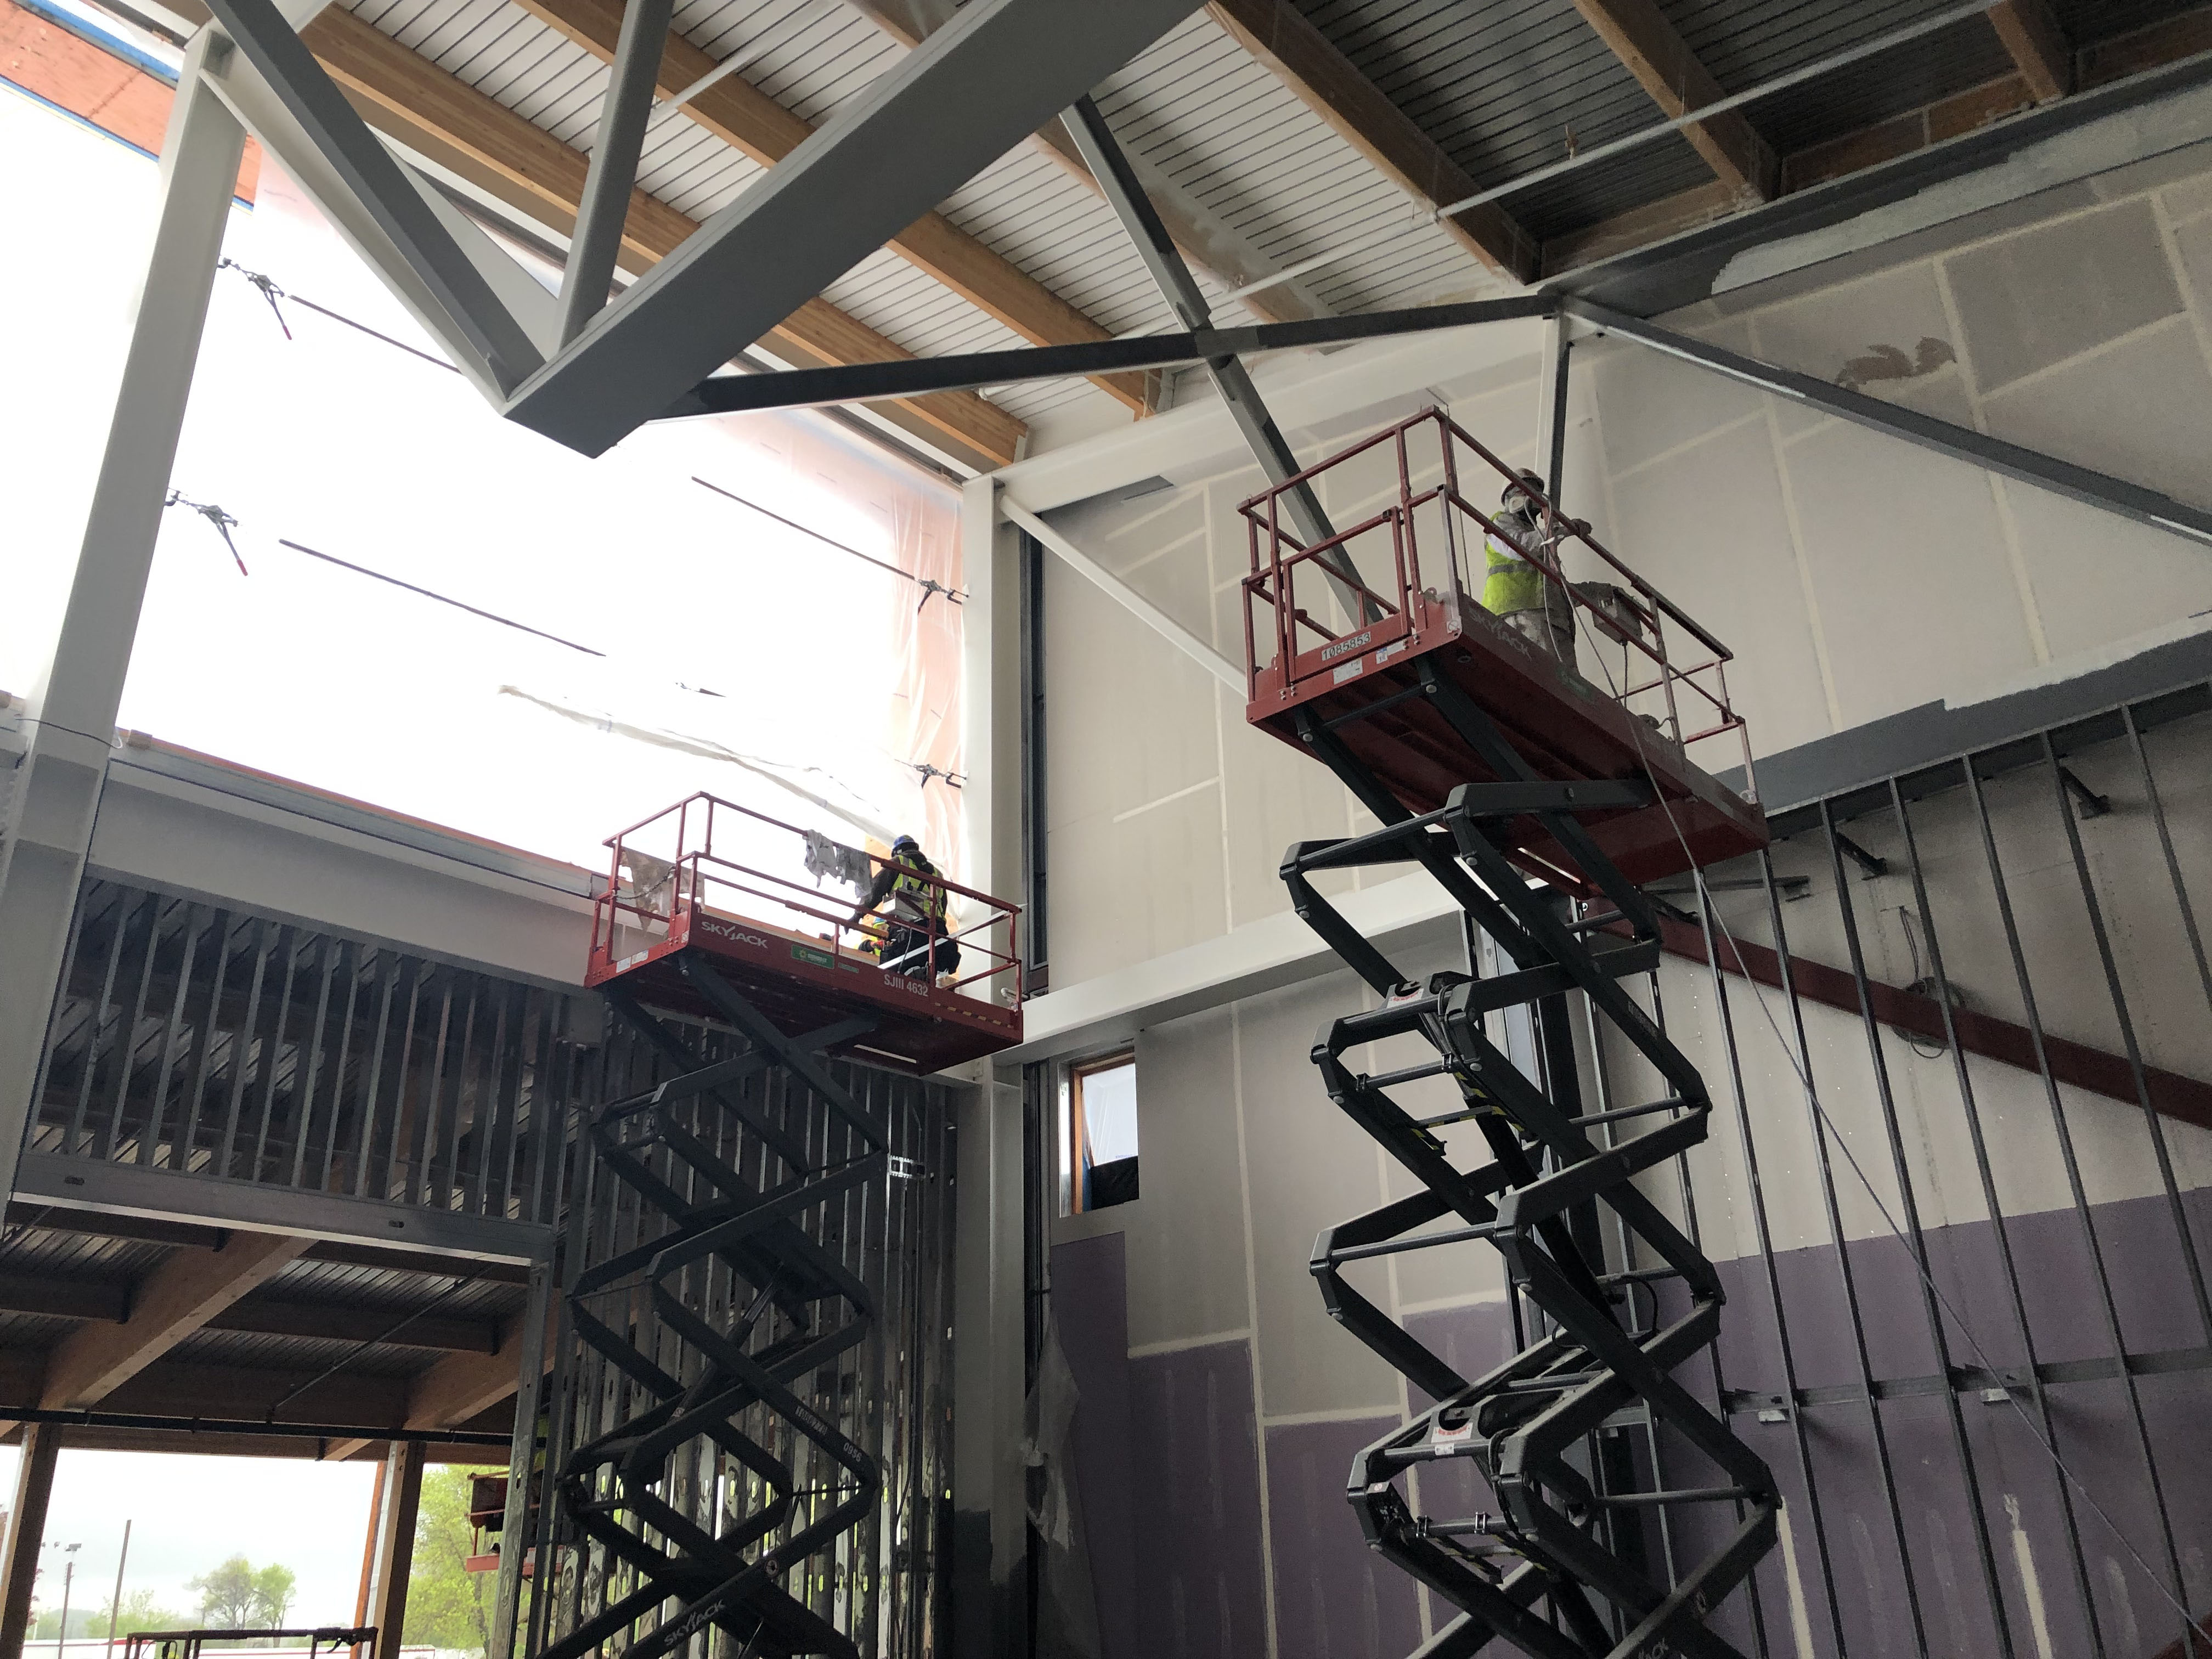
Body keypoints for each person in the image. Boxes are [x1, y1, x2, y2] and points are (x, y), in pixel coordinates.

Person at [1483, 469, 1577, 666]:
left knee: (1565, 680)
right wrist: (1563, 530)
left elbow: (1559, 589)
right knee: (1548, 675)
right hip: (1519, 615)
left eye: (1536, 493)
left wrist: (1600, 592)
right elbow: (1520, 548)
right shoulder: (1501, 522)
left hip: (1552, 620)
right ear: (1512, 497)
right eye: (1527, 491)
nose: (1534, 498)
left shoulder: (1541, 541)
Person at [849, 834, 960, 982]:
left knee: (891, 976)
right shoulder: (937, 874)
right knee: (926, 977)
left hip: (909, 930)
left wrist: (857, 915)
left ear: (897, 852)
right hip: (938, 933)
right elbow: (942, 905)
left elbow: (875, 891)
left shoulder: (899, 862)